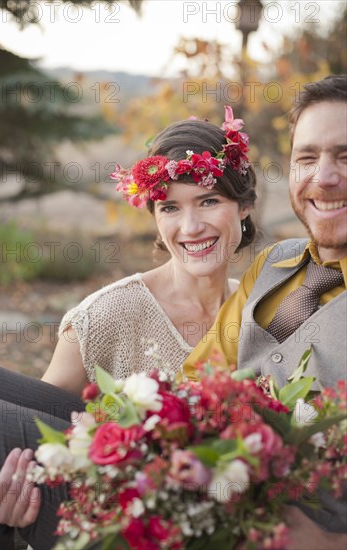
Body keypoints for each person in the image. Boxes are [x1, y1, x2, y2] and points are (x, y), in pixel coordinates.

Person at [0, 108, 257, 549]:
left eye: (208, 201)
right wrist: (7, 500)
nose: (191, 227)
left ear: (243, 206)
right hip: (123, 513)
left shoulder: (268, 310)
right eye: (170, 207)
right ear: (154, 217)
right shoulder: (104, 317)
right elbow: (41, 438)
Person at [184, 75, 347, 549]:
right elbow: (197, 378)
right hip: (193, 497)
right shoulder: (274, 264)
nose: (325, 178)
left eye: (346, 156)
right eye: (307, 158)